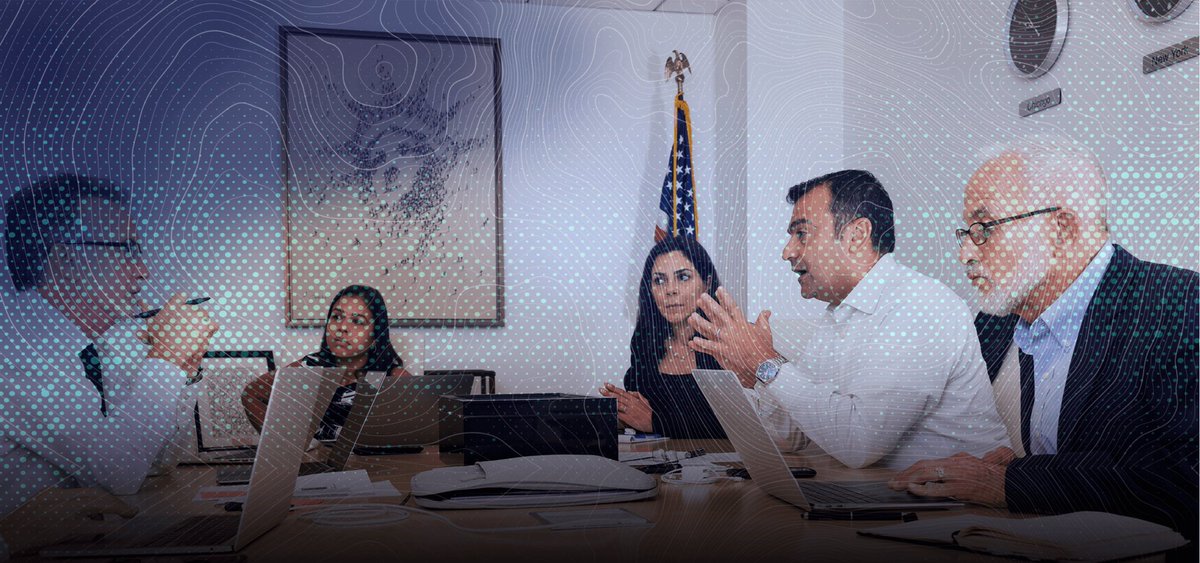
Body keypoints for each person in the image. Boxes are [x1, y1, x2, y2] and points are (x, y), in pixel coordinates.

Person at [889, 137, 1198, 539]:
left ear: (1061, 229)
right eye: (965, 232)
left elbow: (1182, 479)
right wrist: (1003, 467)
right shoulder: (996, 322)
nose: (965, 254)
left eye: (984, 229)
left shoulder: (1181, 305)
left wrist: (1008, 481)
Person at [687, 170, 1009, 469]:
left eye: (802, 234)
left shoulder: (920, 306)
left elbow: (860, 444)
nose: (787, 251)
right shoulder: (839, 312)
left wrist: (766, 363)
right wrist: (752, 376)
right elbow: (793, 436)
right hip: (887, 496)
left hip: (960, 503)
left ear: (856, 235)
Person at [0, 174, 219, 516]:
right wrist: (167, 359)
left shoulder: (96, 349)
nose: (143, 271)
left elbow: (157, 464)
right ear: (66, 258)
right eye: (126, 250)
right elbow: (119, 475)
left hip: (92, 538)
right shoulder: (18, 354)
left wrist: (185, 370)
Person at [242, 285, 410, 440]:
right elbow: (251, 394)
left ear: (376, 335)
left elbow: (418, 431)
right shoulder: (308, 366)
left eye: (357, 321)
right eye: (337, 317)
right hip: (316, 461)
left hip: (369, 463)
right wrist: (282, 444)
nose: (342, 327)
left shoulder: (392, 378)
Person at [600, 236, 727, 439]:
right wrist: (620, 415)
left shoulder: (729, 342)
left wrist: (655, 422)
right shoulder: (645, 346)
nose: (670, 290)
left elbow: (740, 425)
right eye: (659, 280)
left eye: (683, 277)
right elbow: (642, 421)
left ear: (707, 283)